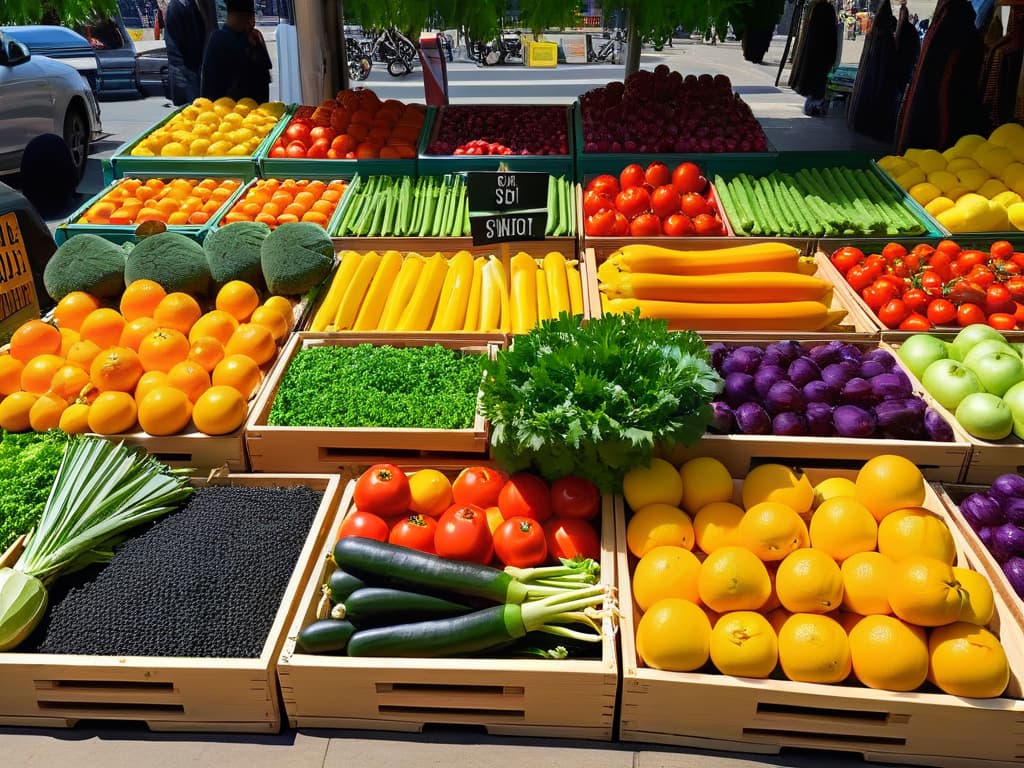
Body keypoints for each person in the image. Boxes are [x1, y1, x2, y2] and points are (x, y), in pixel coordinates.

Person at [200, 0, 272, 104]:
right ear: (250, 16)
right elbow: (265, 81)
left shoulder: (219, 38)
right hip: (244, 112)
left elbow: (207, 91)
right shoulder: (221, 39)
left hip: (229, 113)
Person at [164, 0, 217, 105]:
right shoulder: (178, 6)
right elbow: (175, 54)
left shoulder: (207, 5)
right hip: (188, 78)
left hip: (203, 75)